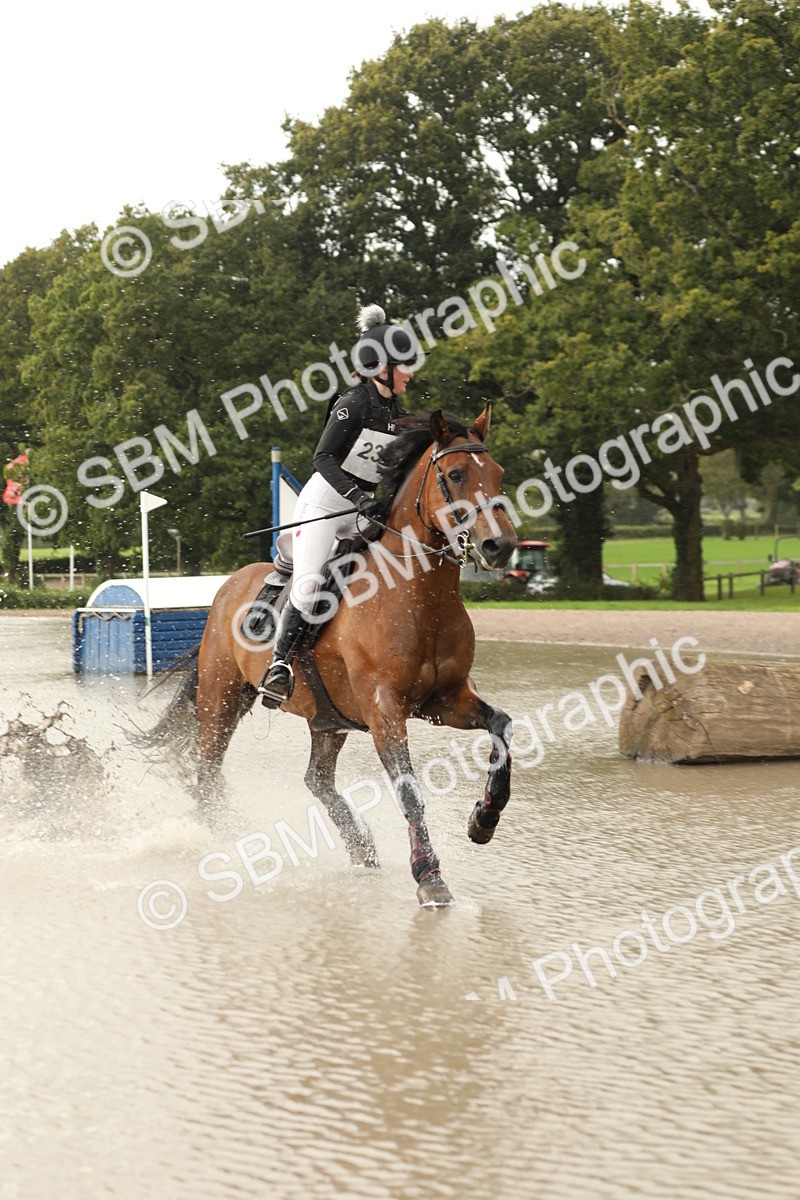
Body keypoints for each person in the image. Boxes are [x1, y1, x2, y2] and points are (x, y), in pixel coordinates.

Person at [257, 304, 420, 706]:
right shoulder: (354, 402)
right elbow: (323, 458)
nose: (412, 373)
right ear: (379, 366)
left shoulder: (395, 410)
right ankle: (279, 665)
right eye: (406, 366)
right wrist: (358, 497)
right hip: (326, 503)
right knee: (310, 583)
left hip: (360, 510)